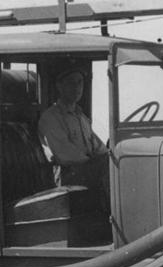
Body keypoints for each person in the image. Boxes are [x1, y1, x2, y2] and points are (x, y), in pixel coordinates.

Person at [37, 65, 109, 194]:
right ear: (59, 86)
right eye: (71, 82)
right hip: (67, 177)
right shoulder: (51, 118)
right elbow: (66, 156)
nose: (77, 87)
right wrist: (98, 164)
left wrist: (110, 155)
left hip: (85, 171)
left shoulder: (81, 117)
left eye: (80, 82)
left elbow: (98, 147)